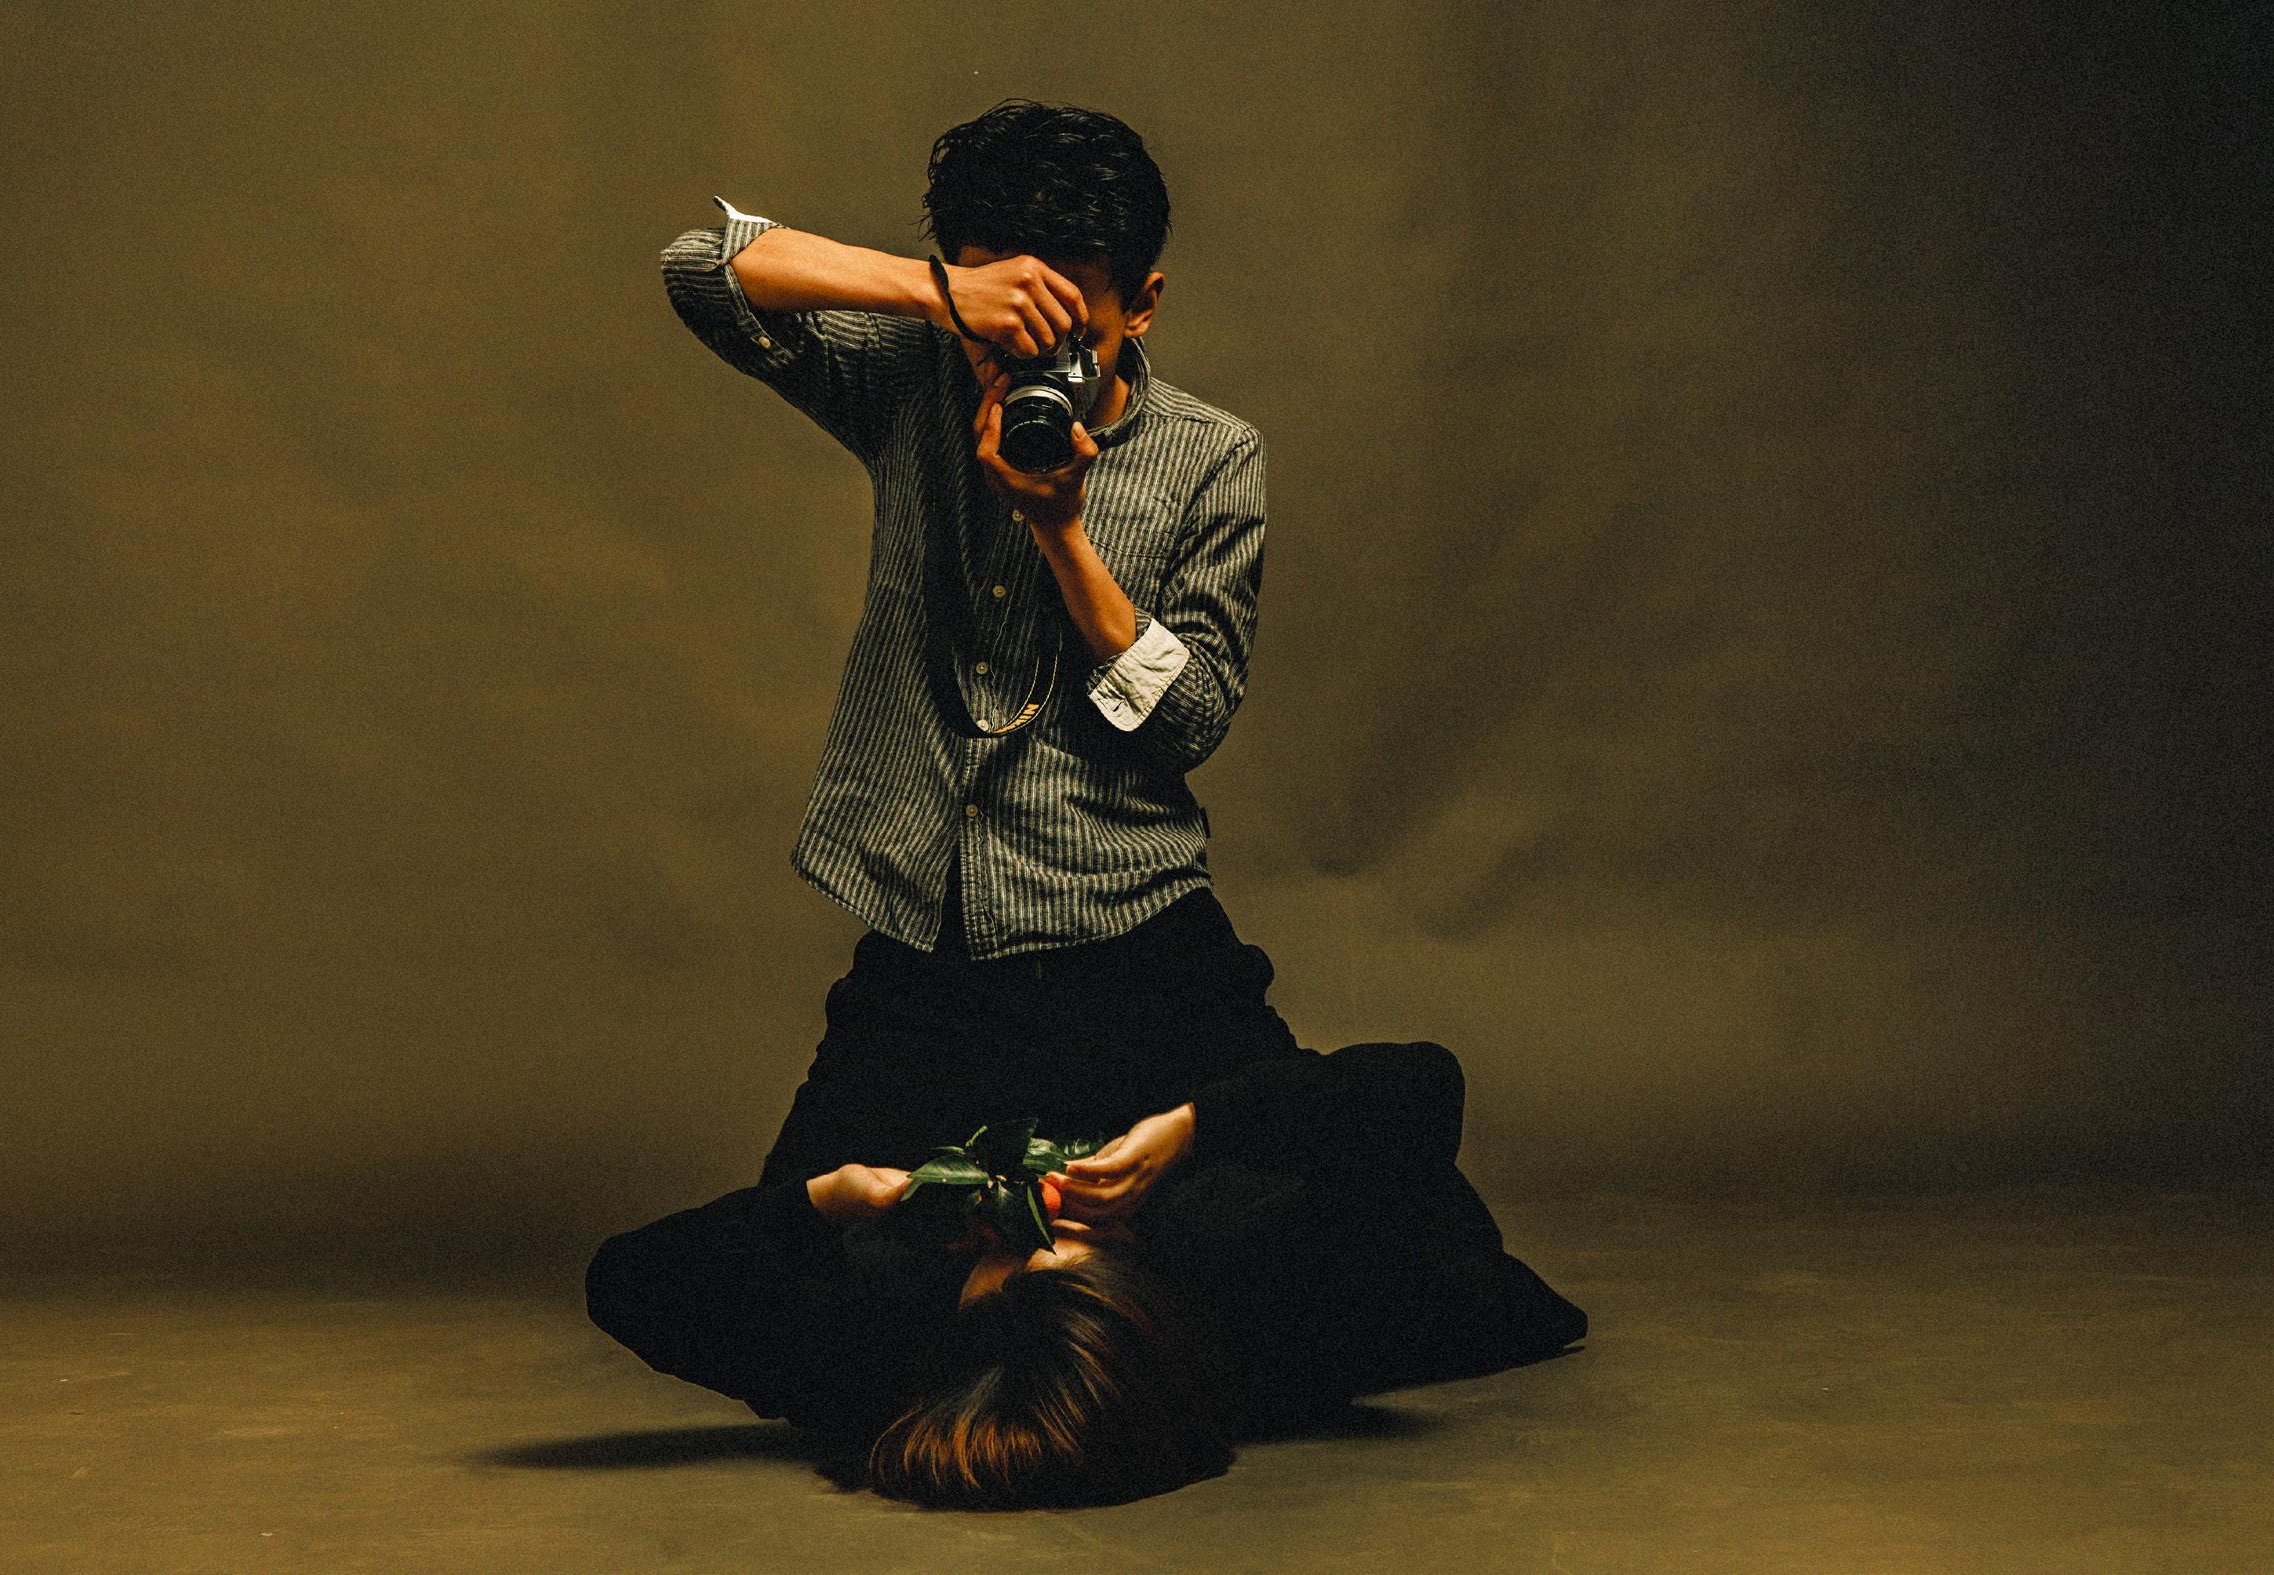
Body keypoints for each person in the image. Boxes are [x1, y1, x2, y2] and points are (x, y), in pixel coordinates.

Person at [586, 99, 1587, 1508]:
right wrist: (938, 296)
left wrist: (1062, 534)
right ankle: (1111, 1291)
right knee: (822, 1261)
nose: (1028, 364)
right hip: (933, 971)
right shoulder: (917, 372)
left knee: (1453, 1282)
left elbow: (1189, 724)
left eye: (1072, 330)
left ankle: (1148, 1283)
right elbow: (701, 267)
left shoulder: (1207, 456)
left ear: (1145, 304)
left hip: (1136, 954)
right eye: (1009, 321)